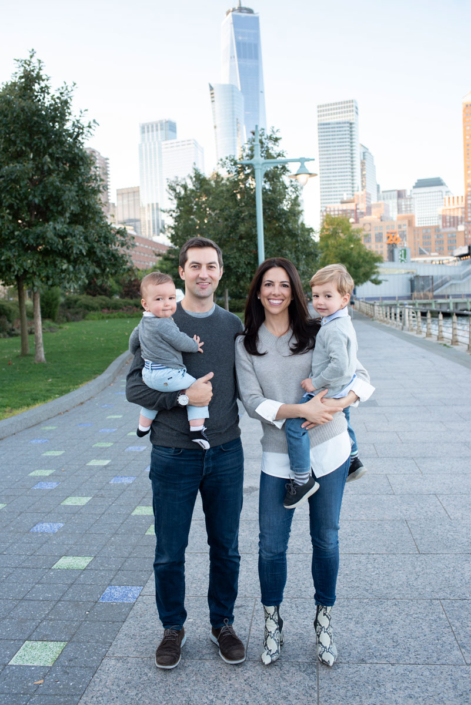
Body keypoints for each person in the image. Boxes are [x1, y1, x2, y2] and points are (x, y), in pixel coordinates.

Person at [235, 257, 374, 668]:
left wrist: (339, 403)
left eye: (283, 285)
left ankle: (323, 621)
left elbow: (361, 376)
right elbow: (252, 402)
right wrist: (301, 411)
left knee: (326, 541)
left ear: (294, 291)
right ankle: (272, 623)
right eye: (267, 285)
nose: (275, 292)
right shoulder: (246, 343)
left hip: (329, 452)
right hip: (279, 459)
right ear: (258, 292)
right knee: (271, 547)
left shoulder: (320, 329)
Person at [126, 237, 246, 670]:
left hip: (226, 453)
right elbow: (134, 387)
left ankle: (223, 624)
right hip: (173, 454)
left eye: (211, 266)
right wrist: (183, 397)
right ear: (182, 272)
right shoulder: (158, 318)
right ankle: (172, 629)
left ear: (219, 271)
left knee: (226, 549)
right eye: (195, 265)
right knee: (169, 551)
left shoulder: (232, 325)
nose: (203, 273)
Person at [282, 264, 360, 509]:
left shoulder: (334, 329)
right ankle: (355, 458)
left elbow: (342, 367)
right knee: (345, 419)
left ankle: (302, 479)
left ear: (344, 299)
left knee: (295, 427)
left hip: (327, 391)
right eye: (316, 296)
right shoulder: (336, 322)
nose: (320, 301)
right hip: (339, 389)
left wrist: (314, 382)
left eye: (328, 296)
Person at [129, 271, 210, 450]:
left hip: (148, 374)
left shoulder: (143, 322)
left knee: (152, 402)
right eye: (159, 299)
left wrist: (134, 350)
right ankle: (196, 429)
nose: (167, 304)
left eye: (171, 298)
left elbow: (133, 340)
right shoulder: (163, 323)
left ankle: (143, 427)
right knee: (198, 390)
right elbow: (179, 340)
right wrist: (194, 345)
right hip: (167, 374)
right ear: (146, 304)